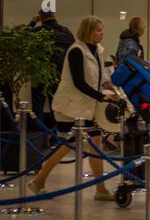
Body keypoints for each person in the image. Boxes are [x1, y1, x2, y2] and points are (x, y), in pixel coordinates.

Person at [29, 17, 116, 200]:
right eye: (98, 30)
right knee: (68, 145)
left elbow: (100, 77)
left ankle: (100, 189)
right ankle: (39, 180)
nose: (102, 33)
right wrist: (102, 96)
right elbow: (79, 82)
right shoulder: (76, 50)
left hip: (85, 108)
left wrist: (112, 88)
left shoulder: (97, 51)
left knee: (95, 142)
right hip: (71, 108)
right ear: (88, 31)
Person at [28, 10, 74, 130]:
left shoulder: (38, 31)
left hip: (40, 72)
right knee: (56, 104)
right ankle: (56, 135)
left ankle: (41, 134)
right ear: (54, 16)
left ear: (41, 18)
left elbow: (22, 38)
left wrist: (33, 22)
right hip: (59, 72)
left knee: (38, 104)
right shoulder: (66, 31)